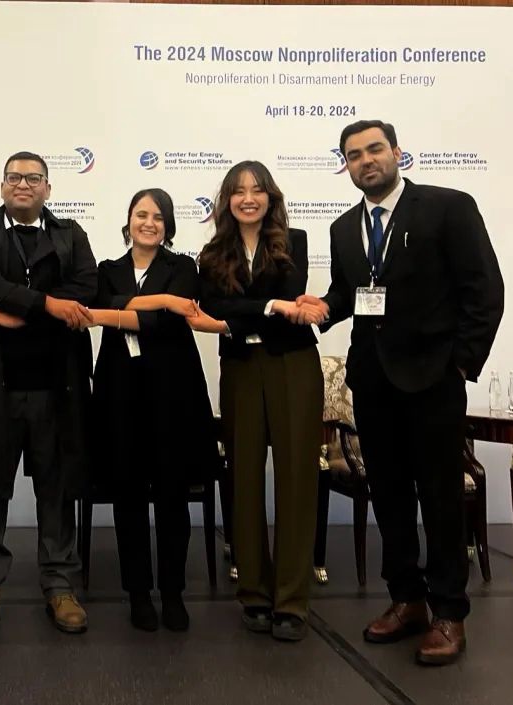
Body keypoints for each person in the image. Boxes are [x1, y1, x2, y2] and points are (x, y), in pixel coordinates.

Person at [299, 120, 504, 665]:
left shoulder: (447, 207)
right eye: (353, 155)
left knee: (440, 497)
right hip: (372, 382)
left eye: (374, 149)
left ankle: (448, 612)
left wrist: (461, 364)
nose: (365, 161)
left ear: (396, 152)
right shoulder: (344, 228)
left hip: (434, 381)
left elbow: (484, 289)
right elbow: (350, 293)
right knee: (388, 496)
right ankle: (407, 599)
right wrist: (321, 308)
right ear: (345, 165)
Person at [0, 151, 97, 634]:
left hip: (57, 385)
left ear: (48, 188)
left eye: (34, 178)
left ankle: (59, 584)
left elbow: (86, 287)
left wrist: (24, 310)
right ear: (2, 186)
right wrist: (48, 305)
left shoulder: (71, 234)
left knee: (57, 487)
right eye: (14, 177)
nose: (23, 184)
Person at [193, 161, 323, 642]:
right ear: (227, 200)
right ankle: (253, 591)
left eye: (257, 190)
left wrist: (246, 314)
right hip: (241, 369)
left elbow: (286, 301)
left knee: (296, 478)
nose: (248, 198)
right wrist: (267, 307)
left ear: (270, 197)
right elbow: (214, 308)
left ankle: (291, 600)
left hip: (294, 365)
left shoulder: (294, 242)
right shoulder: (212, 254)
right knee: (243, 475)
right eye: (239, 191)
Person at [85, 188, 218, 632]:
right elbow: (98, 311)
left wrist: (127, 309)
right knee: (127, 496)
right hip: (119, 393)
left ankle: (173, 592)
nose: (149, 223)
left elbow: (154, 323)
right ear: (128, 220)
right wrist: (161, 299)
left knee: (172, 496)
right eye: (141, 214)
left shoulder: (183, 267)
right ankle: (139, 594)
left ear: (168, 225)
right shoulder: (107, 269)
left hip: (172, 393)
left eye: (158, 217)